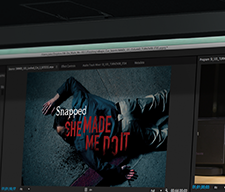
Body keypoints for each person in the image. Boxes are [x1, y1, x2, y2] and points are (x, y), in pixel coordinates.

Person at [41, 76, 169, 186]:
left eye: (64, 133)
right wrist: (54, 100)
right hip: (126, 108)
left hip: (127, 130)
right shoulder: (79, 102)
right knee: (159, 100)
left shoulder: (80, 144)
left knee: (160, 138)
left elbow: (100, 166)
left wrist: (120, 172)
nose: (65, 138)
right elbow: (71, 82)